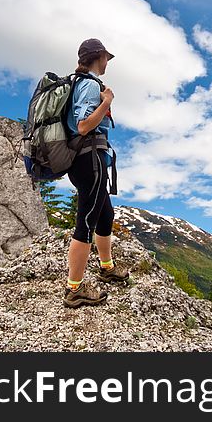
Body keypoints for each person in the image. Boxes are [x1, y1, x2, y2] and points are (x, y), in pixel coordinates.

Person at [63, 38, 129, 308]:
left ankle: (106, 267)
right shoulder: (90, 85)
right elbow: (83, 126)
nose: (107, 62)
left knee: (106, 215)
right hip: (89, 160)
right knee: (86, 222)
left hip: (87, 161)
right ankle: (74, 289)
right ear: (97, 57)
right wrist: (108, 101)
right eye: (105, 58)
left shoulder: (78, 83)